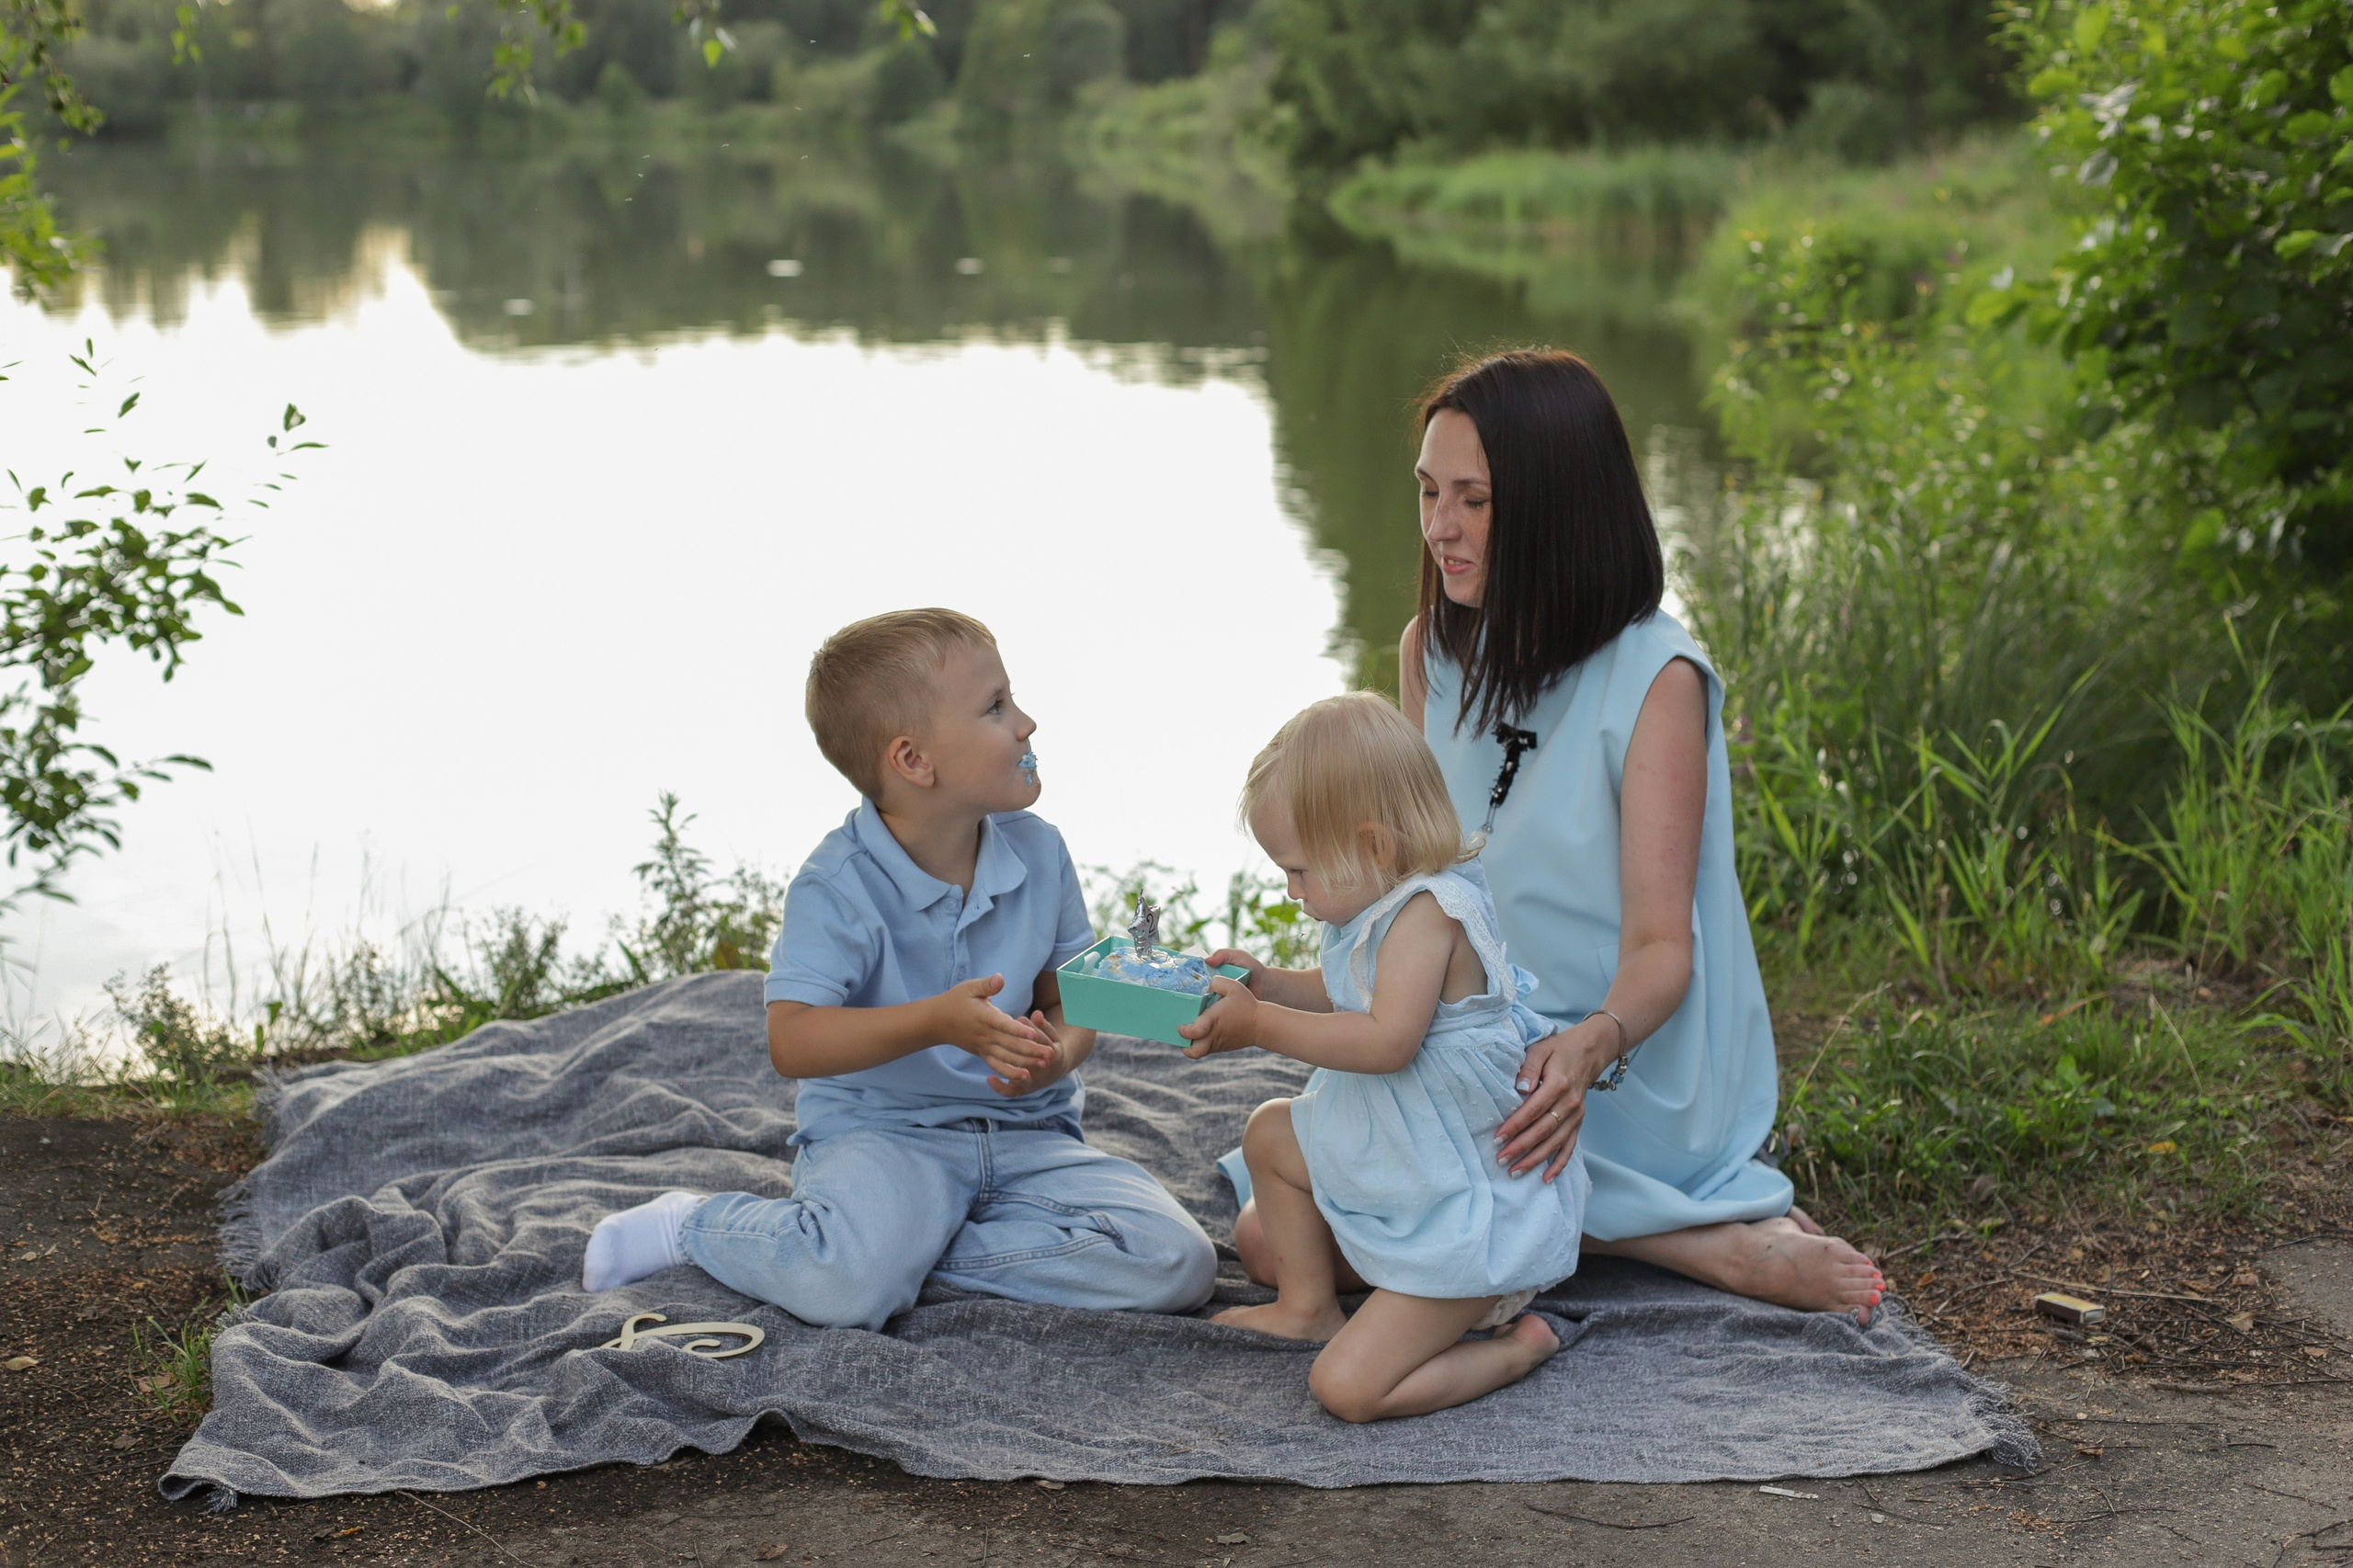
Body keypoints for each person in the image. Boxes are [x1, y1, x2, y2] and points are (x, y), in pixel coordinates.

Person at [1231, 350, 1885, 1322]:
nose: (1437, 527)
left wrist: (1585, 1048)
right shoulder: (1431, 648)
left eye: (1473, 499)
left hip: (1602, 1056)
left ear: (1555, 506)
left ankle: (1716, 1251)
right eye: (1425, 492)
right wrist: (1284, 984)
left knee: (1364, 1219)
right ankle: (1648, 1239)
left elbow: (1665, 949)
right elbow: (1402, 889)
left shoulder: (1655, 674)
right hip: (1460, 1034)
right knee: (1261, 1238)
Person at [582, 608, 1218, 1326]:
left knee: (1179, 1262)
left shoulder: (1039, 852)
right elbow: (793, 1040)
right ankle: (694, 1227)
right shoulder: (837, 885)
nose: (1026, 724)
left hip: (1028, 1138)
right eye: (996, 707)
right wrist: (937, 1022)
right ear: (914, 762)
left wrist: (1056, 1057)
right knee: (845, 1293)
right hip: (884, 1137)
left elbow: (1070, 1002)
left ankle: (894, 1255)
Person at [1177, 692, 1585, 1422]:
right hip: (1403, 1158)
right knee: (1271, 1141)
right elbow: (1348, 990)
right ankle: (1308, 1307)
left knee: (1347, 1389)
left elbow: (1387, 1039)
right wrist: (1270, 983)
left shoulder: (1430, 912)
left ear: (1371, 846)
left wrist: (1262, 1022)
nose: (1292, 892)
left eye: (1299, 872)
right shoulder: (1376, 895)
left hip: (1456, 1209)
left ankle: (1512, 1345)